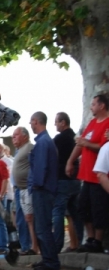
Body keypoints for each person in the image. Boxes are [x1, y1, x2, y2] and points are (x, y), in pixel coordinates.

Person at [66, 94, 109, 253]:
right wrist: (70, 161)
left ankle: (98, 241)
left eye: (93, 104)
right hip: (85, 175)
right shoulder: (91, 123)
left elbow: (104, 147)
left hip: (100, 176)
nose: (91, 107)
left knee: (99, 209)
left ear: (102, 106)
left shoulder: (107, 124)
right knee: (82, 206)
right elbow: (80, 144)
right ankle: (90, 238)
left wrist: (87, 144)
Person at [28, 111, 60, 270]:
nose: (30, 125)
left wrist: (36, 185)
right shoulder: (46, 141)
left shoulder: (42, 143)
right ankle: (47, 259)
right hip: (46, 190)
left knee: (42, 229)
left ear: (36, 121)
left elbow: (41, 168)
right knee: (43, 227)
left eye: (31, 122)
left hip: (42, 190)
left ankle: (51, 263)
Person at [52, 112, 83, 253]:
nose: (55, 124)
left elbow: (51, 157)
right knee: (75, 213)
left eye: (57, 122)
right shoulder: (74, 137)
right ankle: (79, 243)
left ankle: (57, 245)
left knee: (58, 212)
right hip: (76, 180)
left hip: (63, 179)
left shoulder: (59, 139)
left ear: (63, 122)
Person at [11, 127, 37, 255]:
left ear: (25, 136)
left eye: (16, 135)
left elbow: (35, 167)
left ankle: (30, 246)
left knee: (28, 219)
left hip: (27, 190)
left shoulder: (30, 148)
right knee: (21, 220)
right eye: (13, 136)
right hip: (19, 190)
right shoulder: (18, 150)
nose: (13, 137)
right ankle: (25, 246)